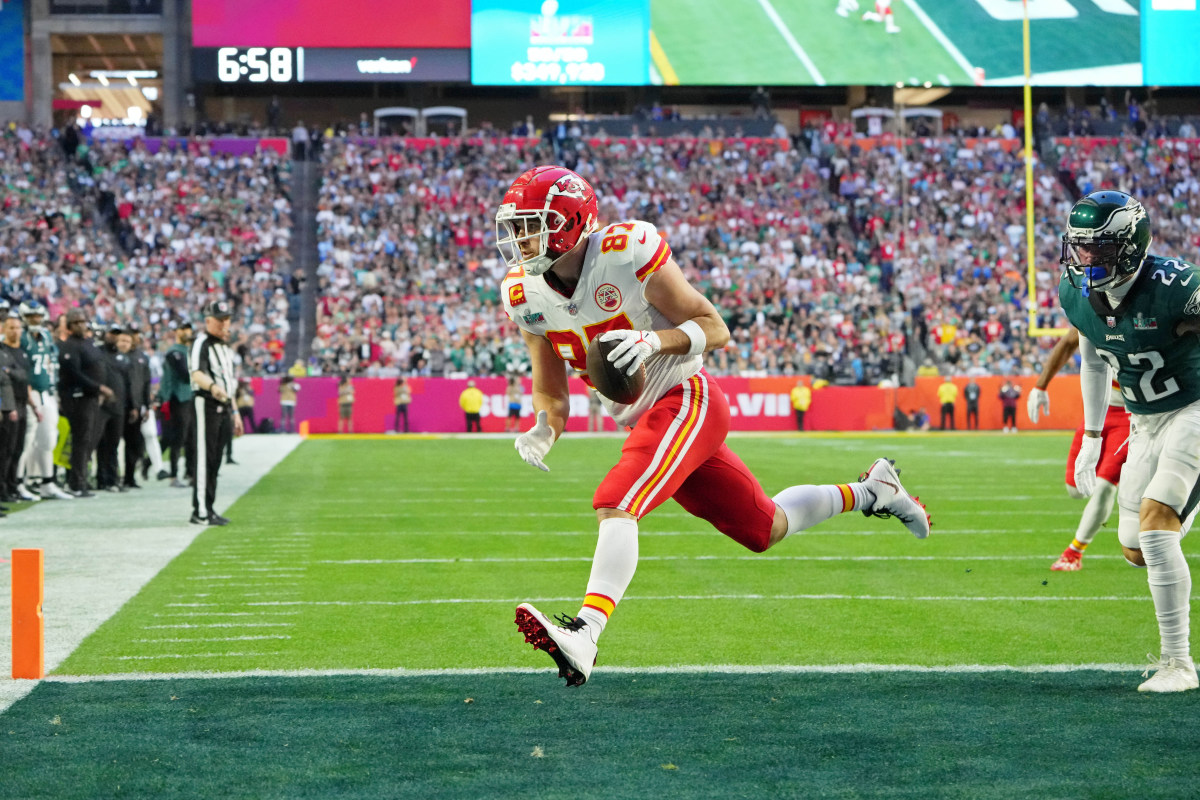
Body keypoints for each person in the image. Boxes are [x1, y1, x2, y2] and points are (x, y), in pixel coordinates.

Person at [497, 166, 930, 687]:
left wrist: (653, 341)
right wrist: (545, 427)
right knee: (764, 528)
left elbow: (714, 326)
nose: (520, 238)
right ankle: (873, 490)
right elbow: (552, 393)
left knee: (617, 499)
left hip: (687, 396)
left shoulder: (625, 251)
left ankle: (585, 633)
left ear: (571, 221)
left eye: (531, 224)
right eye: (516, 227)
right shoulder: (523, 294)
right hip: (648, 420)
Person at [1058, 189, 1198, 692]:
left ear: (1131, 246)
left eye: (1099, 247)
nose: (1086, 257)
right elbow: (1093, 361)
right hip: (1142, 421)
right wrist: (1093, 435)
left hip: (1194, 408)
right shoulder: (1075, 292)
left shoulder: (1177, 287)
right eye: (1080, 246)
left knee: (1158, 525)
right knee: (1137, 549)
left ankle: (1179, 663)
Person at [1027, 328, 1130, 572]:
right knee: (1075, 489)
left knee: (1104, 486)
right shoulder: (1095, 312)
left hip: (1131, 414)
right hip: (1098, 411)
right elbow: (1068, 342)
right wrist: (1040, 386)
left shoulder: (1149, 318)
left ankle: (1074, 552)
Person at [189, 300, 242, 525]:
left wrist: (235, 412)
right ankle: (200, 511)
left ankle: (209, 507)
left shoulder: (224, 347)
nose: (224, 324)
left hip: (224, 406)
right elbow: (196, 373)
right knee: (204, 458)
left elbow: (229, 383)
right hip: (207, 404)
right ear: (208, 321)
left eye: (226, 319)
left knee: (216, 459)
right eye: (219, 320)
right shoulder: (201, 342)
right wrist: (212, 387)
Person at [19, 301, 70, 500]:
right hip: (29, 392)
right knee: (26, 441)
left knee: (48, 439)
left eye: (37, 316)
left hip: (47, 391)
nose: (35, 320)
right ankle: (19, 482)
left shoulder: (47, 336)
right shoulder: (21, 337)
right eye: (31, 316)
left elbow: (50, 362)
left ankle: (47, 482)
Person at [57, 309, 111, 497]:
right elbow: (74, 374)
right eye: (76, 322)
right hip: (77, 397)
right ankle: (76, 483)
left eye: (83, 321)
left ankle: (80, 479)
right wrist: (98, 387)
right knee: (80, 440)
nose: (81, 325)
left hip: (90, 398)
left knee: (87, 439)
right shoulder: (69, 346)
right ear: (69, 326)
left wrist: (98, 390)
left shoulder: (88, 343)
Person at [1, 314, 38, 502]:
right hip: (9, 405)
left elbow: (25, 380)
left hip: (23, 403)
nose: (15, 331)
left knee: (17, 449)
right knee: (6, 449)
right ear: (3, 329)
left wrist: (34, 406)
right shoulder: (2, 351)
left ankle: (12, 485)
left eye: (18, 328)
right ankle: (3, 490)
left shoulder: (23, 352)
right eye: (11, 328)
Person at [158, 321, 196, 488]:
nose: (187, 332)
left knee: (191, 437)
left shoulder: (189, 351)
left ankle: (190, 472)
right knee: (177, 438)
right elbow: (184, 375)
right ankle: (174, 475)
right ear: (177, 332)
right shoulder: (174, 352)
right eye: (183, 329)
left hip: (189, 398)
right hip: (176, 399)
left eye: (188, 329)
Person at [95, 326, 131, 492]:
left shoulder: (122, 357)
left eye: (117, 335)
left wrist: (132, 405)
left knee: (113, 444)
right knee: (100, 443)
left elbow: (127, 382)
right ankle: (101, 479)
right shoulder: (98, 353)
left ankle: (112, 479)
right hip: (101, 406)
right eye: (112, 334)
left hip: (118, 406)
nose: (114, 337)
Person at [122, 328, 150, 489]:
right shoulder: (122, 357)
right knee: (113, 444)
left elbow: (146, 382)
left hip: (137, 406)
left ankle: (129, 477)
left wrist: (146, 405)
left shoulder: (141, 357)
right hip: (123, 406)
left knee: (134, 444)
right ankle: (110, 477)